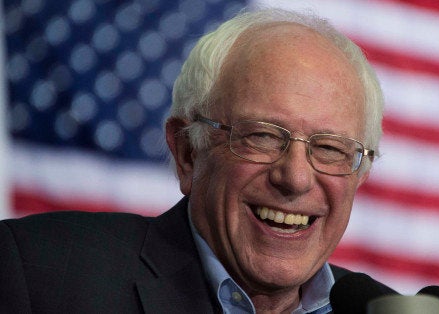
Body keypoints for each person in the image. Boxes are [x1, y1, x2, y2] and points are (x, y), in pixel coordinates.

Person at [0, 7, 384, 313]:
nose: (296, 177)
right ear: (187, 152)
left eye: (330, 149)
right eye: (262, 137)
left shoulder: (384, 309)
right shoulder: (36, 275)